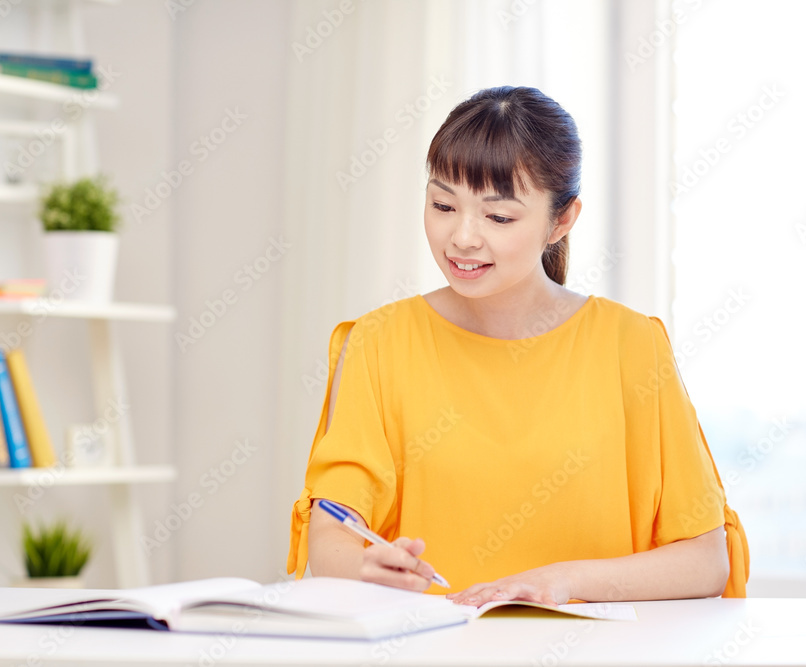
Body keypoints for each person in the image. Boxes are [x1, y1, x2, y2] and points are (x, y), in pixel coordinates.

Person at [288, 86, 748, 606]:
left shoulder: (632, 346)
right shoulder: (379, 342)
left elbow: (705, 561)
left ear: (562, 220)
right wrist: (363, 567)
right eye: (443, 204)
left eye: (498, 217)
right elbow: (330, 540)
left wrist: (562, 582)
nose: (461, 237)